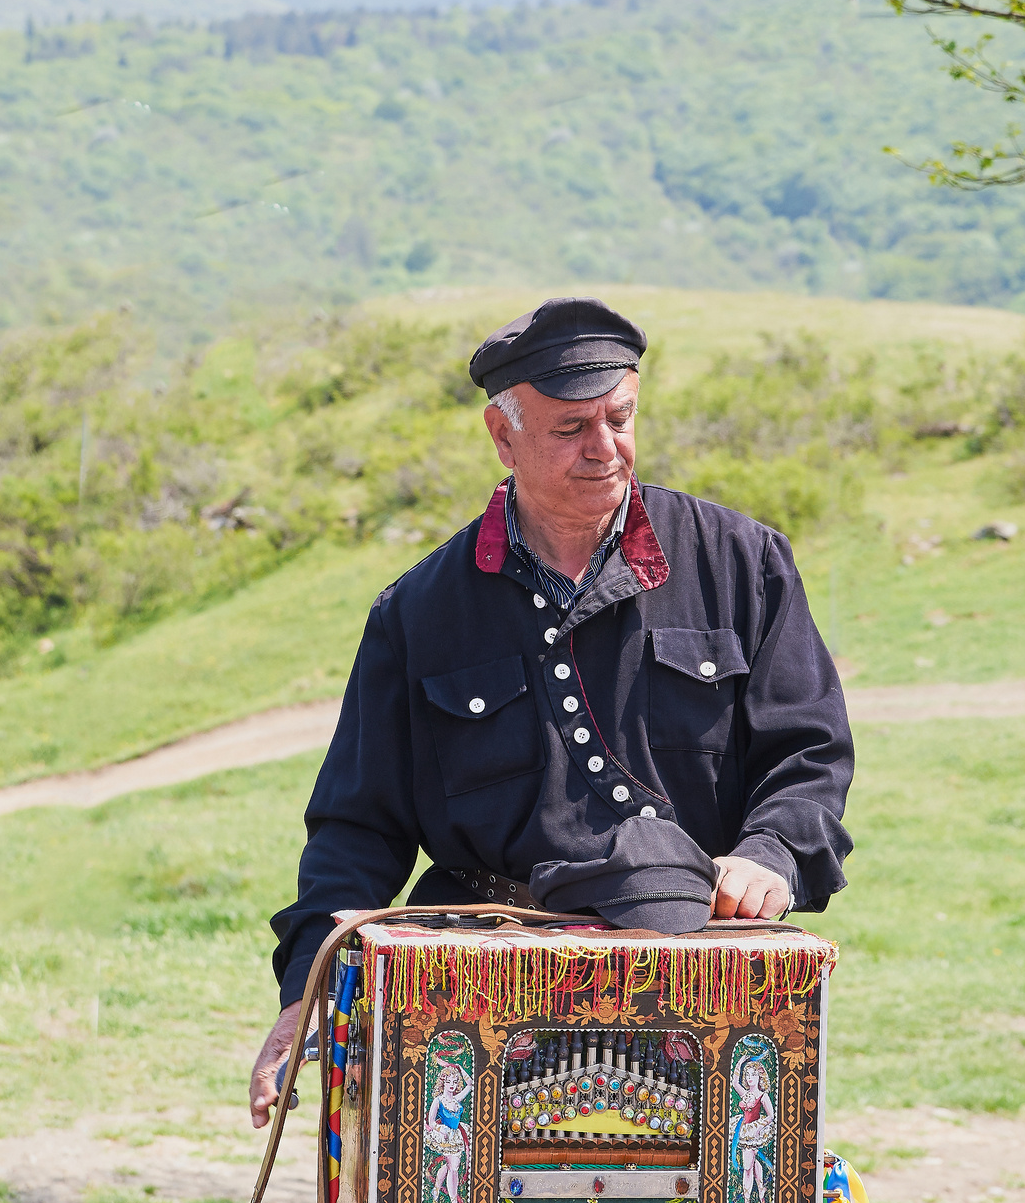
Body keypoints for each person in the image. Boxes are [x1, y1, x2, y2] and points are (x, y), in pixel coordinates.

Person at [248, 297, 856, 1126]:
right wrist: (305, 991)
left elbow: (811, 752)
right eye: (571, 428)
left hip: (699, 959)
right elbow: (358, 826)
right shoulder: (419, 610)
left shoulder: (743, 560)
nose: (604, 449)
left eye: (620, 418)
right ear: (503, 437)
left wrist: (772, 852)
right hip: (473, 994)